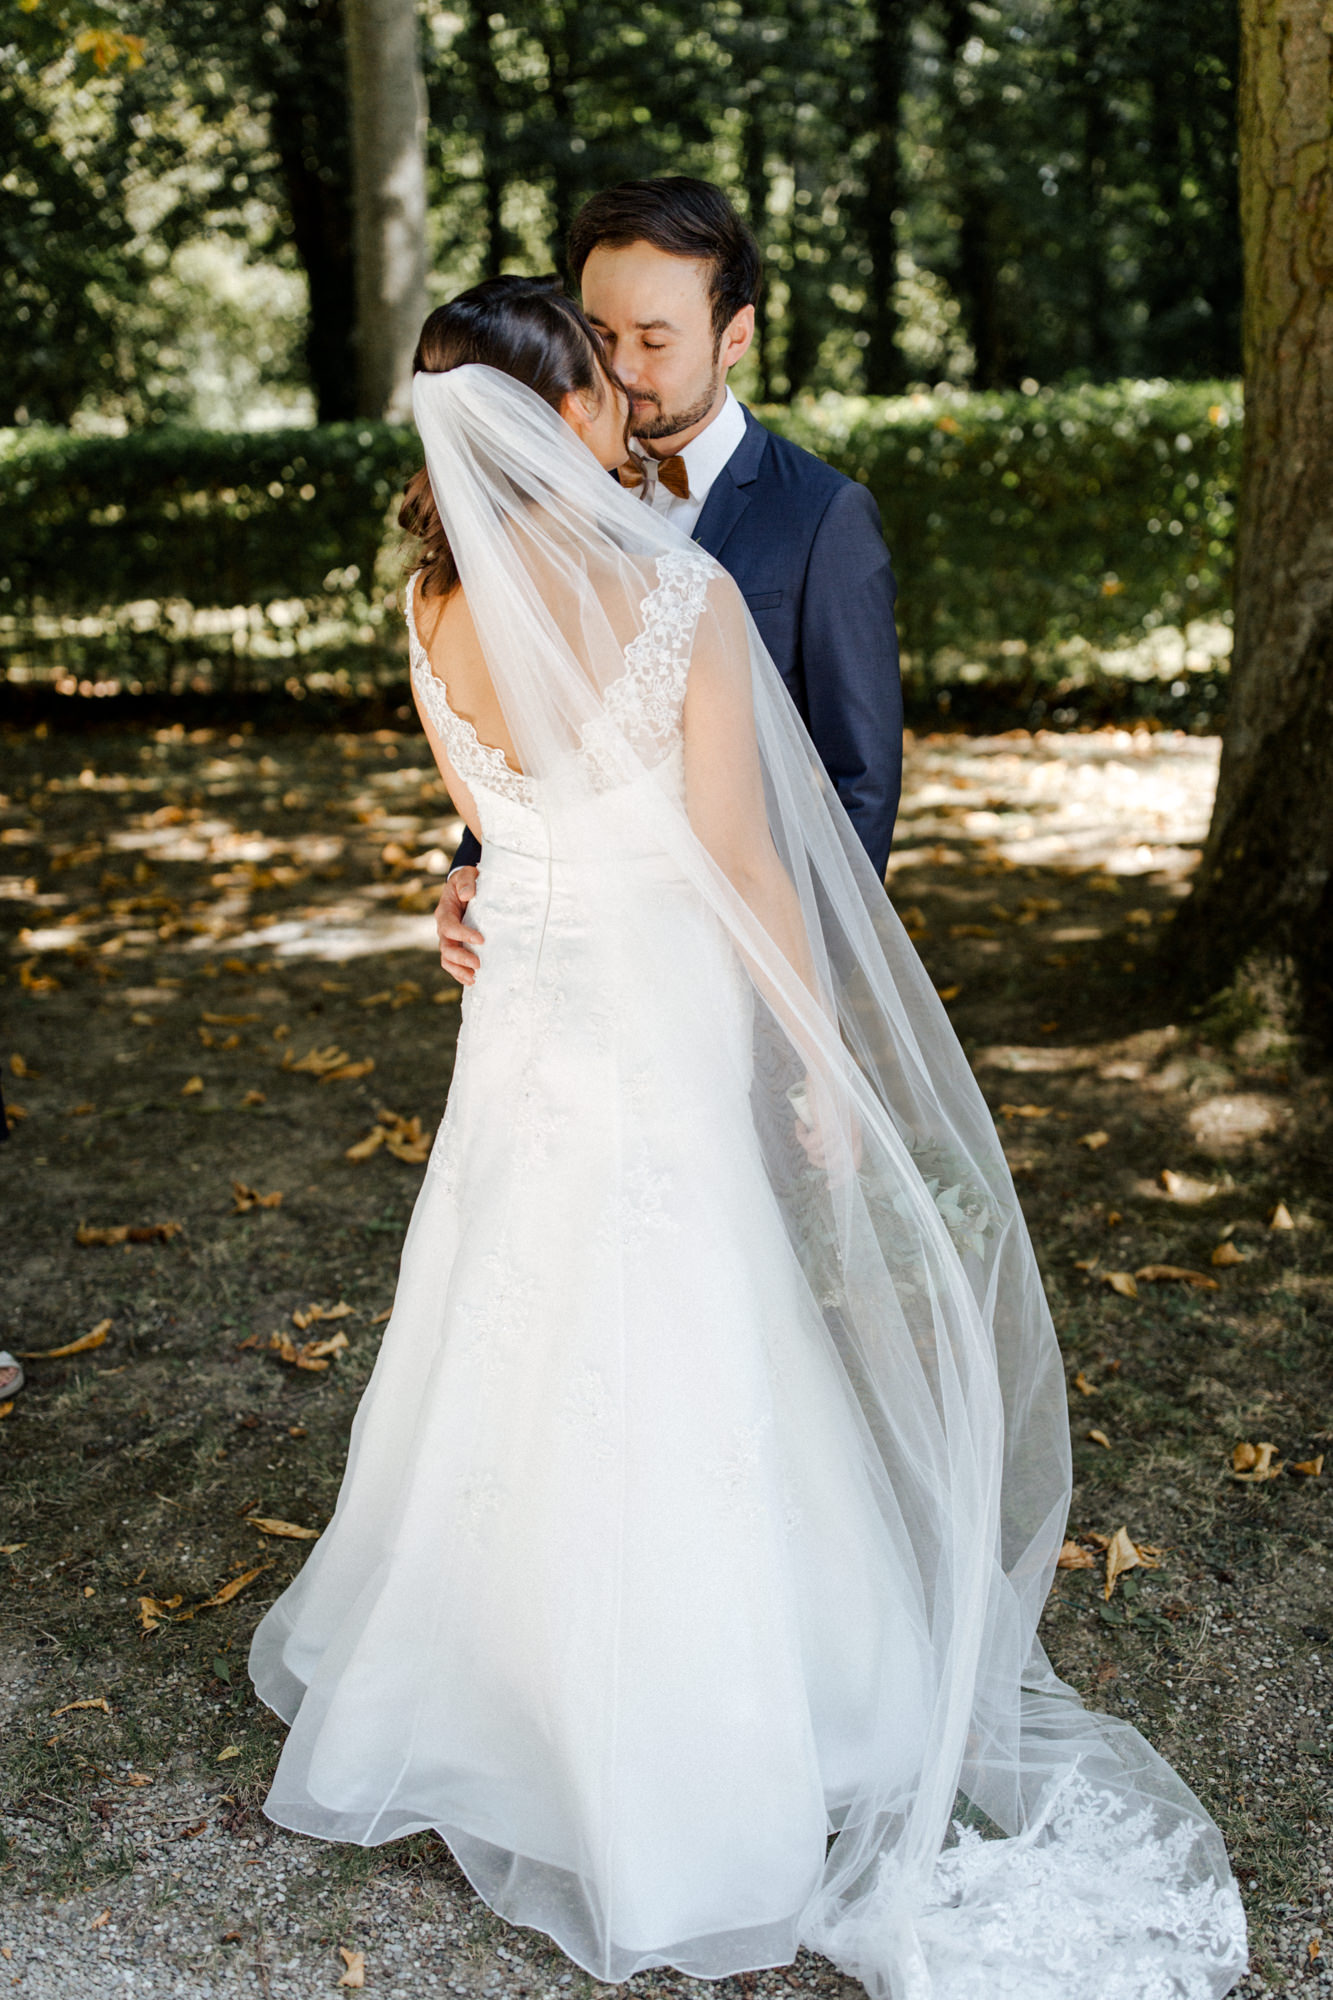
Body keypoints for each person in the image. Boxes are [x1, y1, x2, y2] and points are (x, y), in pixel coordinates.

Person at [249, 283, 1246, 2000]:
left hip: (524, 1026)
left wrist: (470, 896)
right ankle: (703, 1733)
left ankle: (497, 1693)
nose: (621, 399)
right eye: (594, 378)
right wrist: (819, 1066)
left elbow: (496, 827)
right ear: (557, 416)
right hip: (653, 1021)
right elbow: (749, 866)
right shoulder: (677, 597)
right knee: (686, 1330)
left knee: (518, 1322)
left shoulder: (433, 603)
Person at [435, 177, 902, 993]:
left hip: (739, 969)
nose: (620, 370)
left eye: (655, 341)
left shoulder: (821, 517)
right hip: (567, 971)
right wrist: (478, 869)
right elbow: (525, 719)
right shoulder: (534, 508)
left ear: (734, 335)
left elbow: (858, 787)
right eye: (599, 335)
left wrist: (800, 1001)